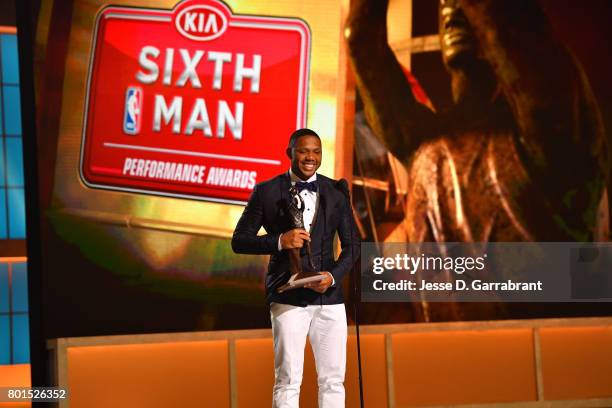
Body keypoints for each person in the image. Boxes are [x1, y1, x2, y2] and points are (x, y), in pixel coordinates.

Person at [346, 0, 609, 244]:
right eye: (445, 2)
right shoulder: (430, 148)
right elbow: (360, 38)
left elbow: (534, 74)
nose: (451, 10)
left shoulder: (555, 134)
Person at [232, 128, 360, 408]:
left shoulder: (336, 193)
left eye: (316, 151)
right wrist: (279, 240)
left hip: (330, 299)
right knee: (288, 379)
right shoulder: (266, 192)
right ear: (290, 153)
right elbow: (239, 241)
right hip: (287, 296)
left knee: (333, 380)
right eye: (303, 151)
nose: (310, 157)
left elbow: (353, 247)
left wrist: (333, 276)